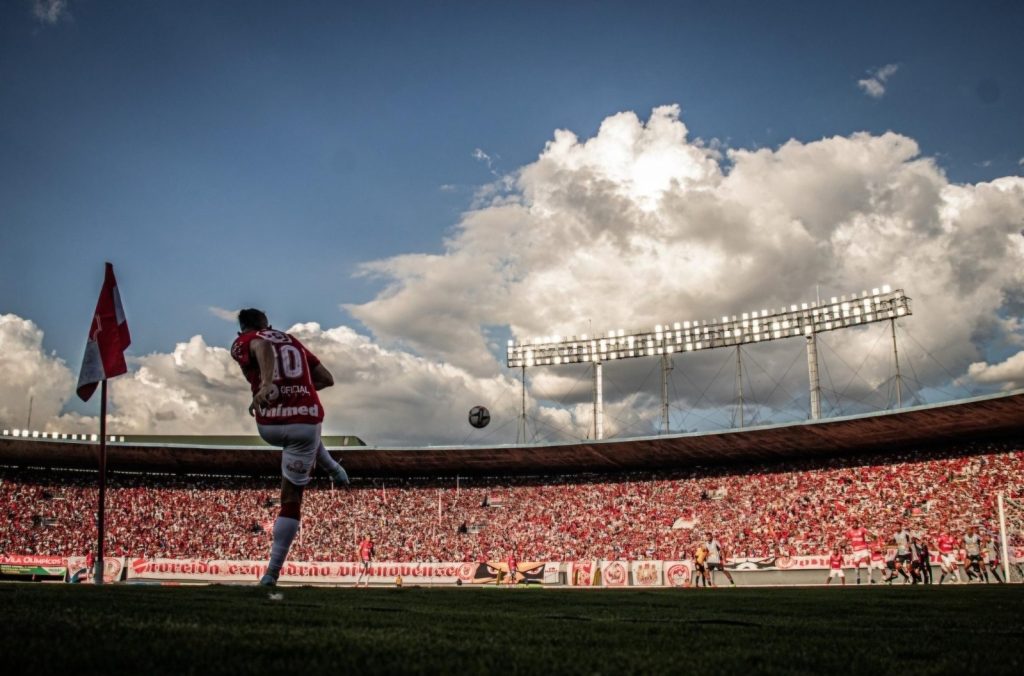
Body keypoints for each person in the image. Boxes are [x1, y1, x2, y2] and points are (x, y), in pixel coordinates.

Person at [230, 308, 350, 587]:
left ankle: (334, 468)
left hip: (269, 421)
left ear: (241, 330)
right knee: (291, 499)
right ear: (269, 324)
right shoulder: (291, 340)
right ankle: (271, 574)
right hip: (306, 421)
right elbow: (326, 379)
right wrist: (299, 389)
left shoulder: (245, 340)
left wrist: (270, 384)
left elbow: (260, 346)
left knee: (304, 442)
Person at [844, 519, 873, 584]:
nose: (855, 525)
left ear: (857, 524)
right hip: (856, 551)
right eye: (853, 523)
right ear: (852, 524)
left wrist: (873, 536)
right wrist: (843, 543)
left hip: (863, 548)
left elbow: (868, 533)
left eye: (856, 523)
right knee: (857, 564)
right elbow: (846, 539)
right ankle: (858, 577)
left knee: (867, 559)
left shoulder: (862, 529)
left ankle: (870, 578)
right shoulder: (849, 531)